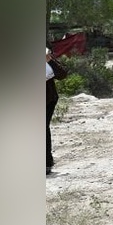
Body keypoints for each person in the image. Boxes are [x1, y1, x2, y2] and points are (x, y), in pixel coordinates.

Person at [46, 47, 68, 175]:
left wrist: (49, 60)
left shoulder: (45, 54)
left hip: (47, 99)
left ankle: (46, 163)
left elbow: (62, 74)